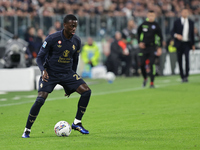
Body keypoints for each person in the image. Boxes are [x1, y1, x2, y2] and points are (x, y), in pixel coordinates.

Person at [22, 14, 91, 138]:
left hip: (67, 73)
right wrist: (43, 71)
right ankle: (27, 130)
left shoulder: (77, 41)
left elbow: (75, 60)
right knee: (40, 100)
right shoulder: (52, 38)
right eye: (71, 26)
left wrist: (72, 81)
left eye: (75, 25)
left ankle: (77, 123)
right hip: (51, 73)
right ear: (65, 25)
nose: (74, 28)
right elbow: (39, 57)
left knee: (86, 91)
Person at [137, 10, 163, 88]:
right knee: (142, 64)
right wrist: (139, 42)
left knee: (152, 64)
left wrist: (159, 48)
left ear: (154, 16)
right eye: (150, 15)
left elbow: (160, 37)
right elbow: (138, 33)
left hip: (152, 48)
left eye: (152, 16)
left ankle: (152, 82)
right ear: (147, 16)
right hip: (144, 48)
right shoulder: (143, 25)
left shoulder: (156, 25)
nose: (151, 17)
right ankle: (145, 78)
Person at [171, 8, 195, 82]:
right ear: (181, 13)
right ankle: (182, 76)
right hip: (179, 44)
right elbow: (172, 32)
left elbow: (192, 34)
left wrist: (193, 44)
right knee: (180, 60)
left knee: (187, 59)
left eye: (186, 12)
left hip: (187, 43)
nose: (185, 13)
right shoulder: (177, 22)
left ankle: (186, 75)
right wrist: (176, 35)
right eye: (184, 12)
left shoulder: (191, 22)